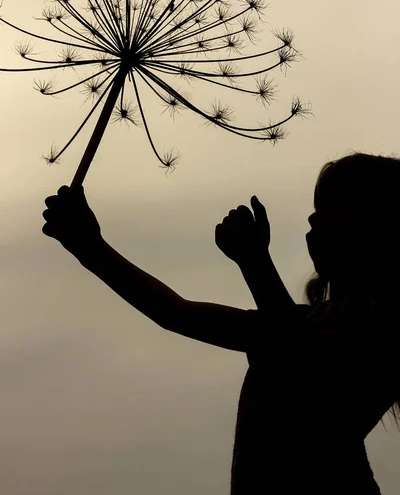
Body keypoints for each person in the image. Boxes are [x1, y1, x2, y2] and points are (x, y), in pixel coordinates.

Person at [42, 151, 400, 494]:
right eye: (316, 207)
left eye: (334, 208)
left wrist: (255, 263)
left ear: (377, 228)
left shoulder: (381, 330)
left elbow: (305, 379)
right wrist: (89, 248)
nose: (312, 219)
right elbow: (175, 314)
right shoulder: (306, 321)